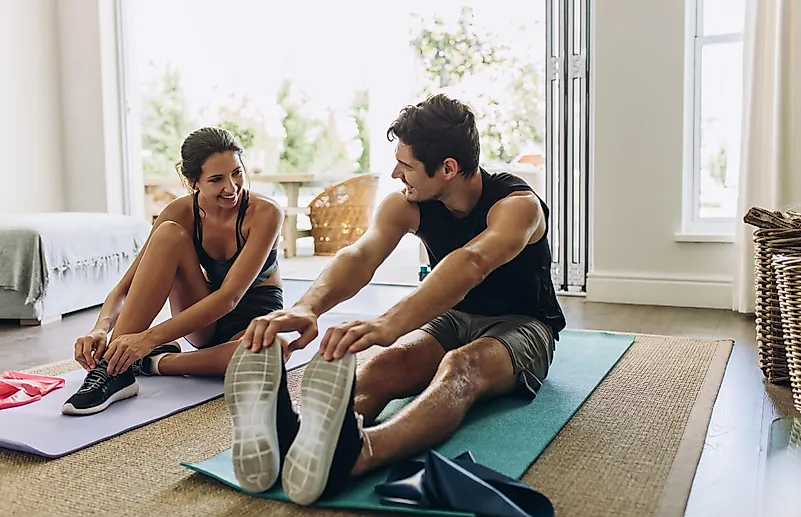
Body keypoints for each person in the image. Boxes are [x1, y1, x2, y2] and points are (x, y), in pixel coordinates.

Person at [222, 93, 566, 504]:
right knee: (389, 362)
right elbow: (361, 255)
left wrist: (389, 323)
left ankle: (360, 453)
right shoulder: (408, 204)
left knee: (460, 367)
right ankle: (296, 437)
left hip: (524, 324)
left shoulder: (518, 206)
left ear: (448, 169)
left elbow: (472, 262)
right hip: (455, 316)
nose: (395, 173)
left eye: (406, 165)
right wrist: (305, 307)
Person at [62, 127, 286, 416]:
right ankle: (113, 370)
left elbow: (229, 297)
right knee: (168, 234)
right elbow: (127, 285)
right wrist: (100, 328)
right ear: (193, 181)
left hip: (252, 321)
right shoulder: (180, 212)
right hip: (202, 317)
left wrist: (147, 341)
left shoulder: (266, 213)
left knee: (270, 354)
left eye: (237, 173)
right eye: (217, 179)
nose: (231, 187)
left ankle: (151, 362)